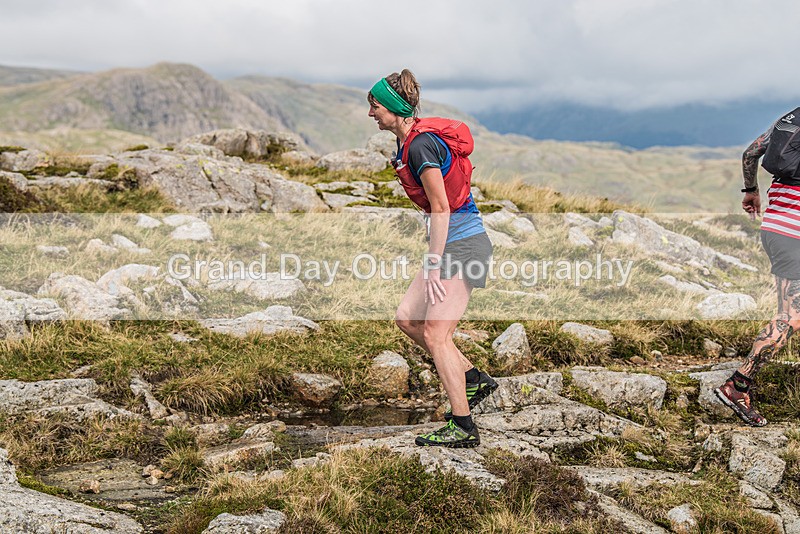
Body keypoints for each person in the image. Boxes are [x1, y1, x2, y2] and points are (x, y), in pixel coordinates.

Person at [367, 69, 497, 447]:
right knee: (407, 318)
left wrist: (434, 265)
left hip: (465, 247)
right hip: (452, 244)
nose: (371, 113)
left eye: (374, 106)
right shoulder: (407, 144)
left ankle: (463, 427)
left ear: (392, 107)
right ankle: (472, 379)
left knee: (437, 334)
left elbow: (441, 208)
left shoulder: (421, 146)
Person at [714, 107, 800, 426]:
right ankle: (738, 385)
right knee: (791, 317)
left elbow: (751, 153)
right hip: (795, 234)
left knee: (786, 311)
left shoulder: (791, 121)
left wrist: (751, 190)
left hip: (776, 227)